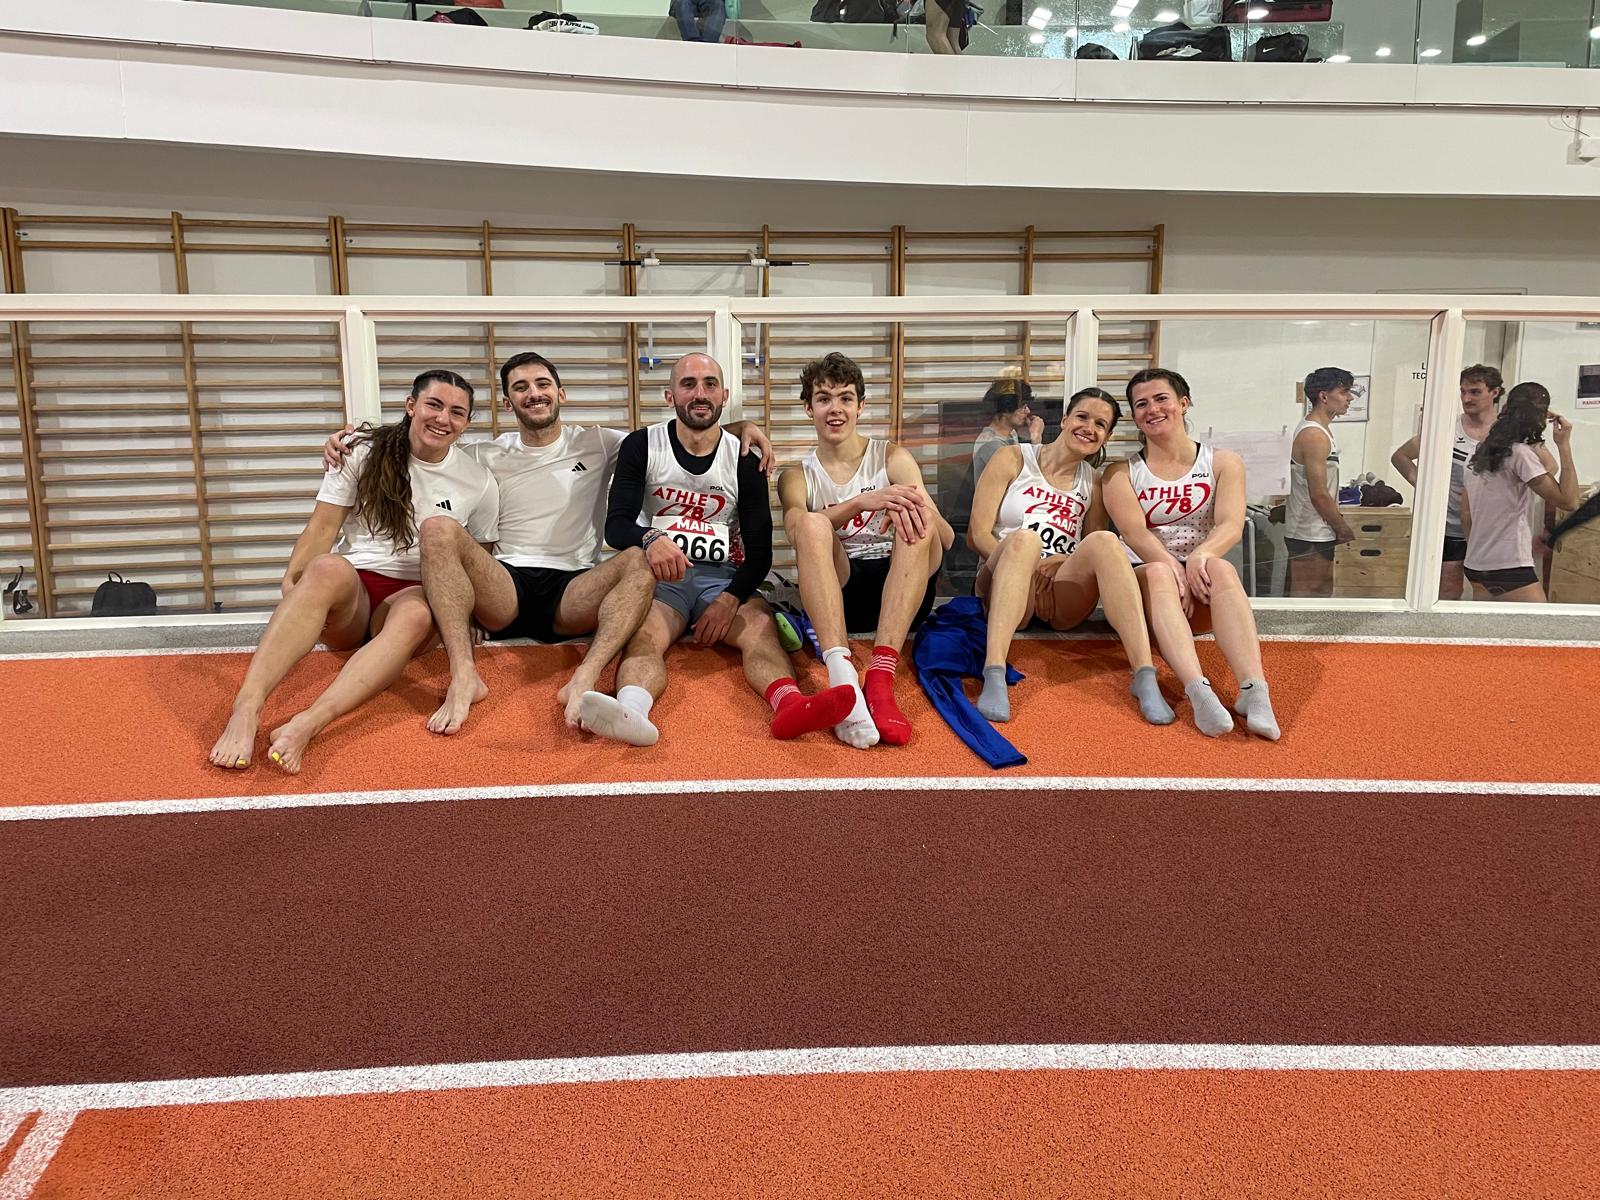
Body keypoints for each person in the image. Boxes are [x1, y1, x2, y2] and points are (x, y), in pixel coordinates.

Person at [322, 351, 773, 742]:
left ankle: (584, 678)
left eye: (542, 384)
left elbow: (684, 432)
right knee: (439, 528)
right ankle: (464, 676)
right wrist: (356, 441)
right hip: (507, 584)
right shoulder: (483, 453)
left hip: (572, 588)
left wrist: (743, 426)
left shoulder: (600, 442)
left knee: (638, 558)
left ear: (561, 393)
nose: (533, 393)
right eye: (520, 387)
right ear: (508, 402)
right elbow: (424, 440)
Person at [209, 370, 498, 774]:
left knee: (416, 613)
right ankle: (246, 708)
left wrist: (469, 617)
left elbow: (476, 560)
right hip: (355, 594)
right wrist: (297, 587)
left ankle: (309, 722)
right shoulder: (359, 452)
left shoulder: (478, 481)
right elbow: (323, 527)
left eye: (456, 412)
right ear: (411, 405)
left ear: (466, 422)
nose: (442, 418)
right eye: (433, 405)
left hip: (417, 594)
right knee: (324, 567)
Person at [588, 352, 856, 745]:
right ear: (670, 396)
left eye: (710, 384)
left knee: (762, 629)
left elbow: (760, 551)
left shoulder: (744, 459)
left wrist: (731, 599)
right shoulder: (642, 445)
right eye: (689, 384)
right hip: (660, 579)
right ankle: (632, 711)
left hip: (723, 578)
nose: (700, 393)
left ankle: (790, 705)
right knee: (643, 637)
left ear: (724, 395)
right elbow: (616, 526)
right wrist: (650, 538)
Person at [776, 352, 952, 749]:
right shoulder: (796, 476)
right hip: (842, 595)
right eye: (824, 399)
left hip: (904, 586)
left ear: (860, 406)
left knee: (918, 517)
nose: (835, 409)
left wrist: (908, 505)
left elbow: (946, 539)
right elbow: (795, 531)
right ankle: (842, 676)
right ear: (808, 408)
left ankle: (880, 678)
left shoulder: (892, 457)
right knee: (811, 523)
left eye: (845, 398)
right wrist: (860, 503)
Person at [969, 386, 1172, 726]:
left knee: (1107, 541)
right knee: (1025, 541)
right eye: (1082, 417)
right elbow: (977, 534)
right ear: (1064, 420)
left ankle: (1144, 674)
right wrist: (1029, 569)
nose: (1089, 428)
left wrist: (1063, 562)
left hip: (1058, 591)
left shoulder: (1094, 482)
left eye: (1100, 424)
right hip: (1007, 576)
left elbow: (1091, 548)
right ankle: (994, 671)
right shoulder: (1012, 458)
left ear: (1106, 436)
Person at [1102, 367, 1281, 741]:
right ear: (1134, 415)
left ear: (1183, 403)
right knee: (1159, 572)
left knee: (1221, 568)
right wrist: (1172, 565)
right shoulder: (1120, 472)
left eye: (1161, 399)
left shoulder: (1222, 462)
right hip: (1148, 587)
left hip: (1197, 589)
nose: (1153, 409)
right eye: (1141, 404)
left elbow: (1231, 524)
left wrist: (1200, 557)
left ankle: (1254, 688)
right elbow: (1134, 533)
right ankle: (1198, 689)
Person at [1391, 364, 1502, 600]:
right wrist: (1427, 488)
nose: (1466, 398)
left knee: (1488, 594)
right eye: (1463, 392)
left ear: (1495, 392)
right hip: (1450, 525)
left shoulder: (1506, 431)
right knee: (1447, 591)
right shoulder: (1447, 429)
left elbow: (1546, 466)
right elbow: (1400, 456)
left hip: (1491, 527)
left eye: (1475, 392)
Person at [1460, 381, 1579, 602]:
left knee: (1490, 625)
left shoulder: (1478, 455)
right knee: (1540, 624)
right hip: (1509, 565)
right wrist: (1564, 445)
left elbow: (1465, 513)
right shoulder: (1520, 455)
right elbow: (1569, 501)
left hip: (1476, 564)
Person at [1285, 366, 1357, 598]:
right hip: (1309, 530)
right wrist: (1342, 527)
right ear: (1324, 396)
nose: (1350, 398)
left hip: (1318, 527)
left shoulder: (1321, 431)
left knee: (1323, 590)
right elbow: (1318, 493)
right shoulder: (1314, 435)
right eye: (1344, 392)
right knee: (1309, 594)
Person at [971, 367, 1044, 487]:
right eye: (1022, 407)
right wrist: (1036, 439)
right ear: (1006, 409)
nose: (1028, 411)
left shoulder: (1011, 433)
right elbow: (1027, 480)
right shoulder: (992, 445)